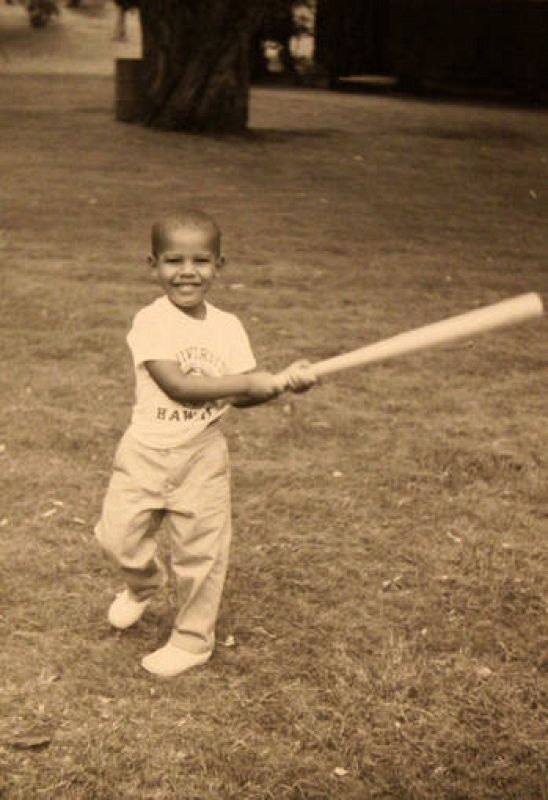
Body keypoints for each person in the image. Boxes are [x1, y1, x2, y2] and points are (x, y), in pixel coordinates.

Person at [95, 209, 316, 677]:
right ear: (153, 265)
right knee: (117, 540)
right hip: (145, 453)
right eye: (174, 260)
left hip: (202, 454)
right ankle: (143, 584)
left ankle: (193, 640)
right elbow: (177, 385)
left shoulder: (228, 327)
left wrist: (277, 386)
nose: (188, 271)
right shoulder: (151, 322)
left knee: (202, 552)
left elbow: (240, 397)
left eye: (201, 260)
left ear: (220, 265)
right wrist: (251, 382)